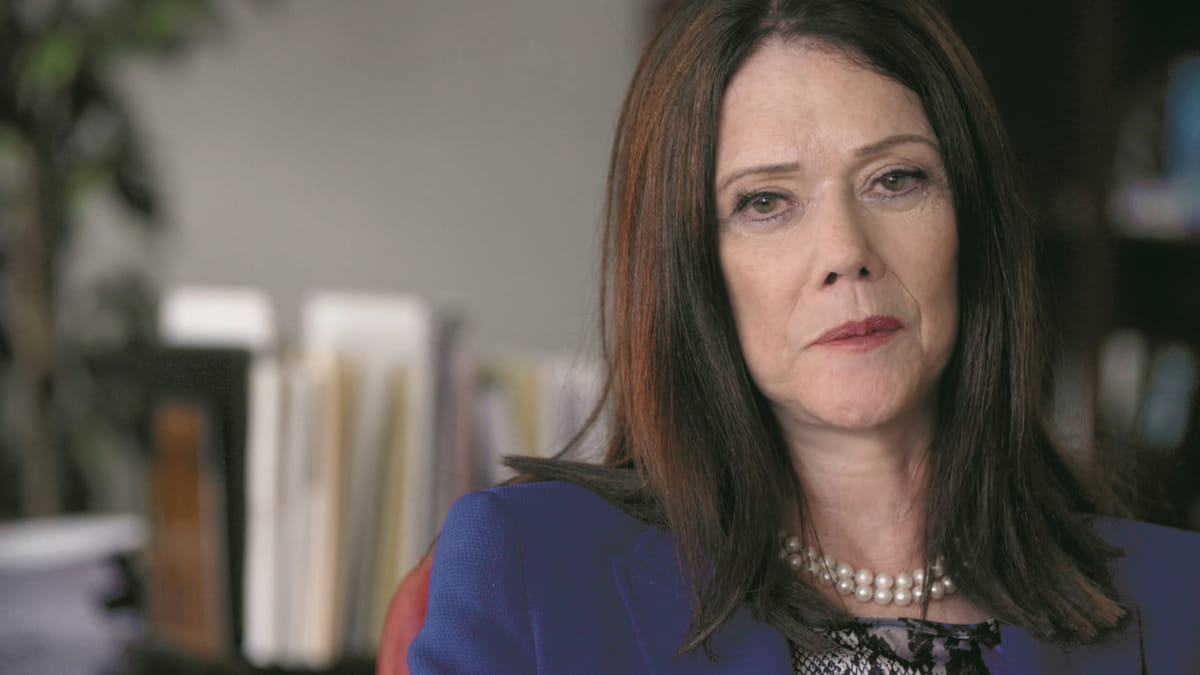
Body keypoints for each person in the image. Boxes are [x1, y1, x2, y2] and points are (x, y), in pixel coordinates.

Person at [403, 0, 1200, 672]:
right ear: (690, 267)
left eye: (895, 179)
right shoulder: (534, 573)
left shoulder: (1179, 601)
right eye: (765, 202)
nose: (846, 251)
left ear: (972, 221)